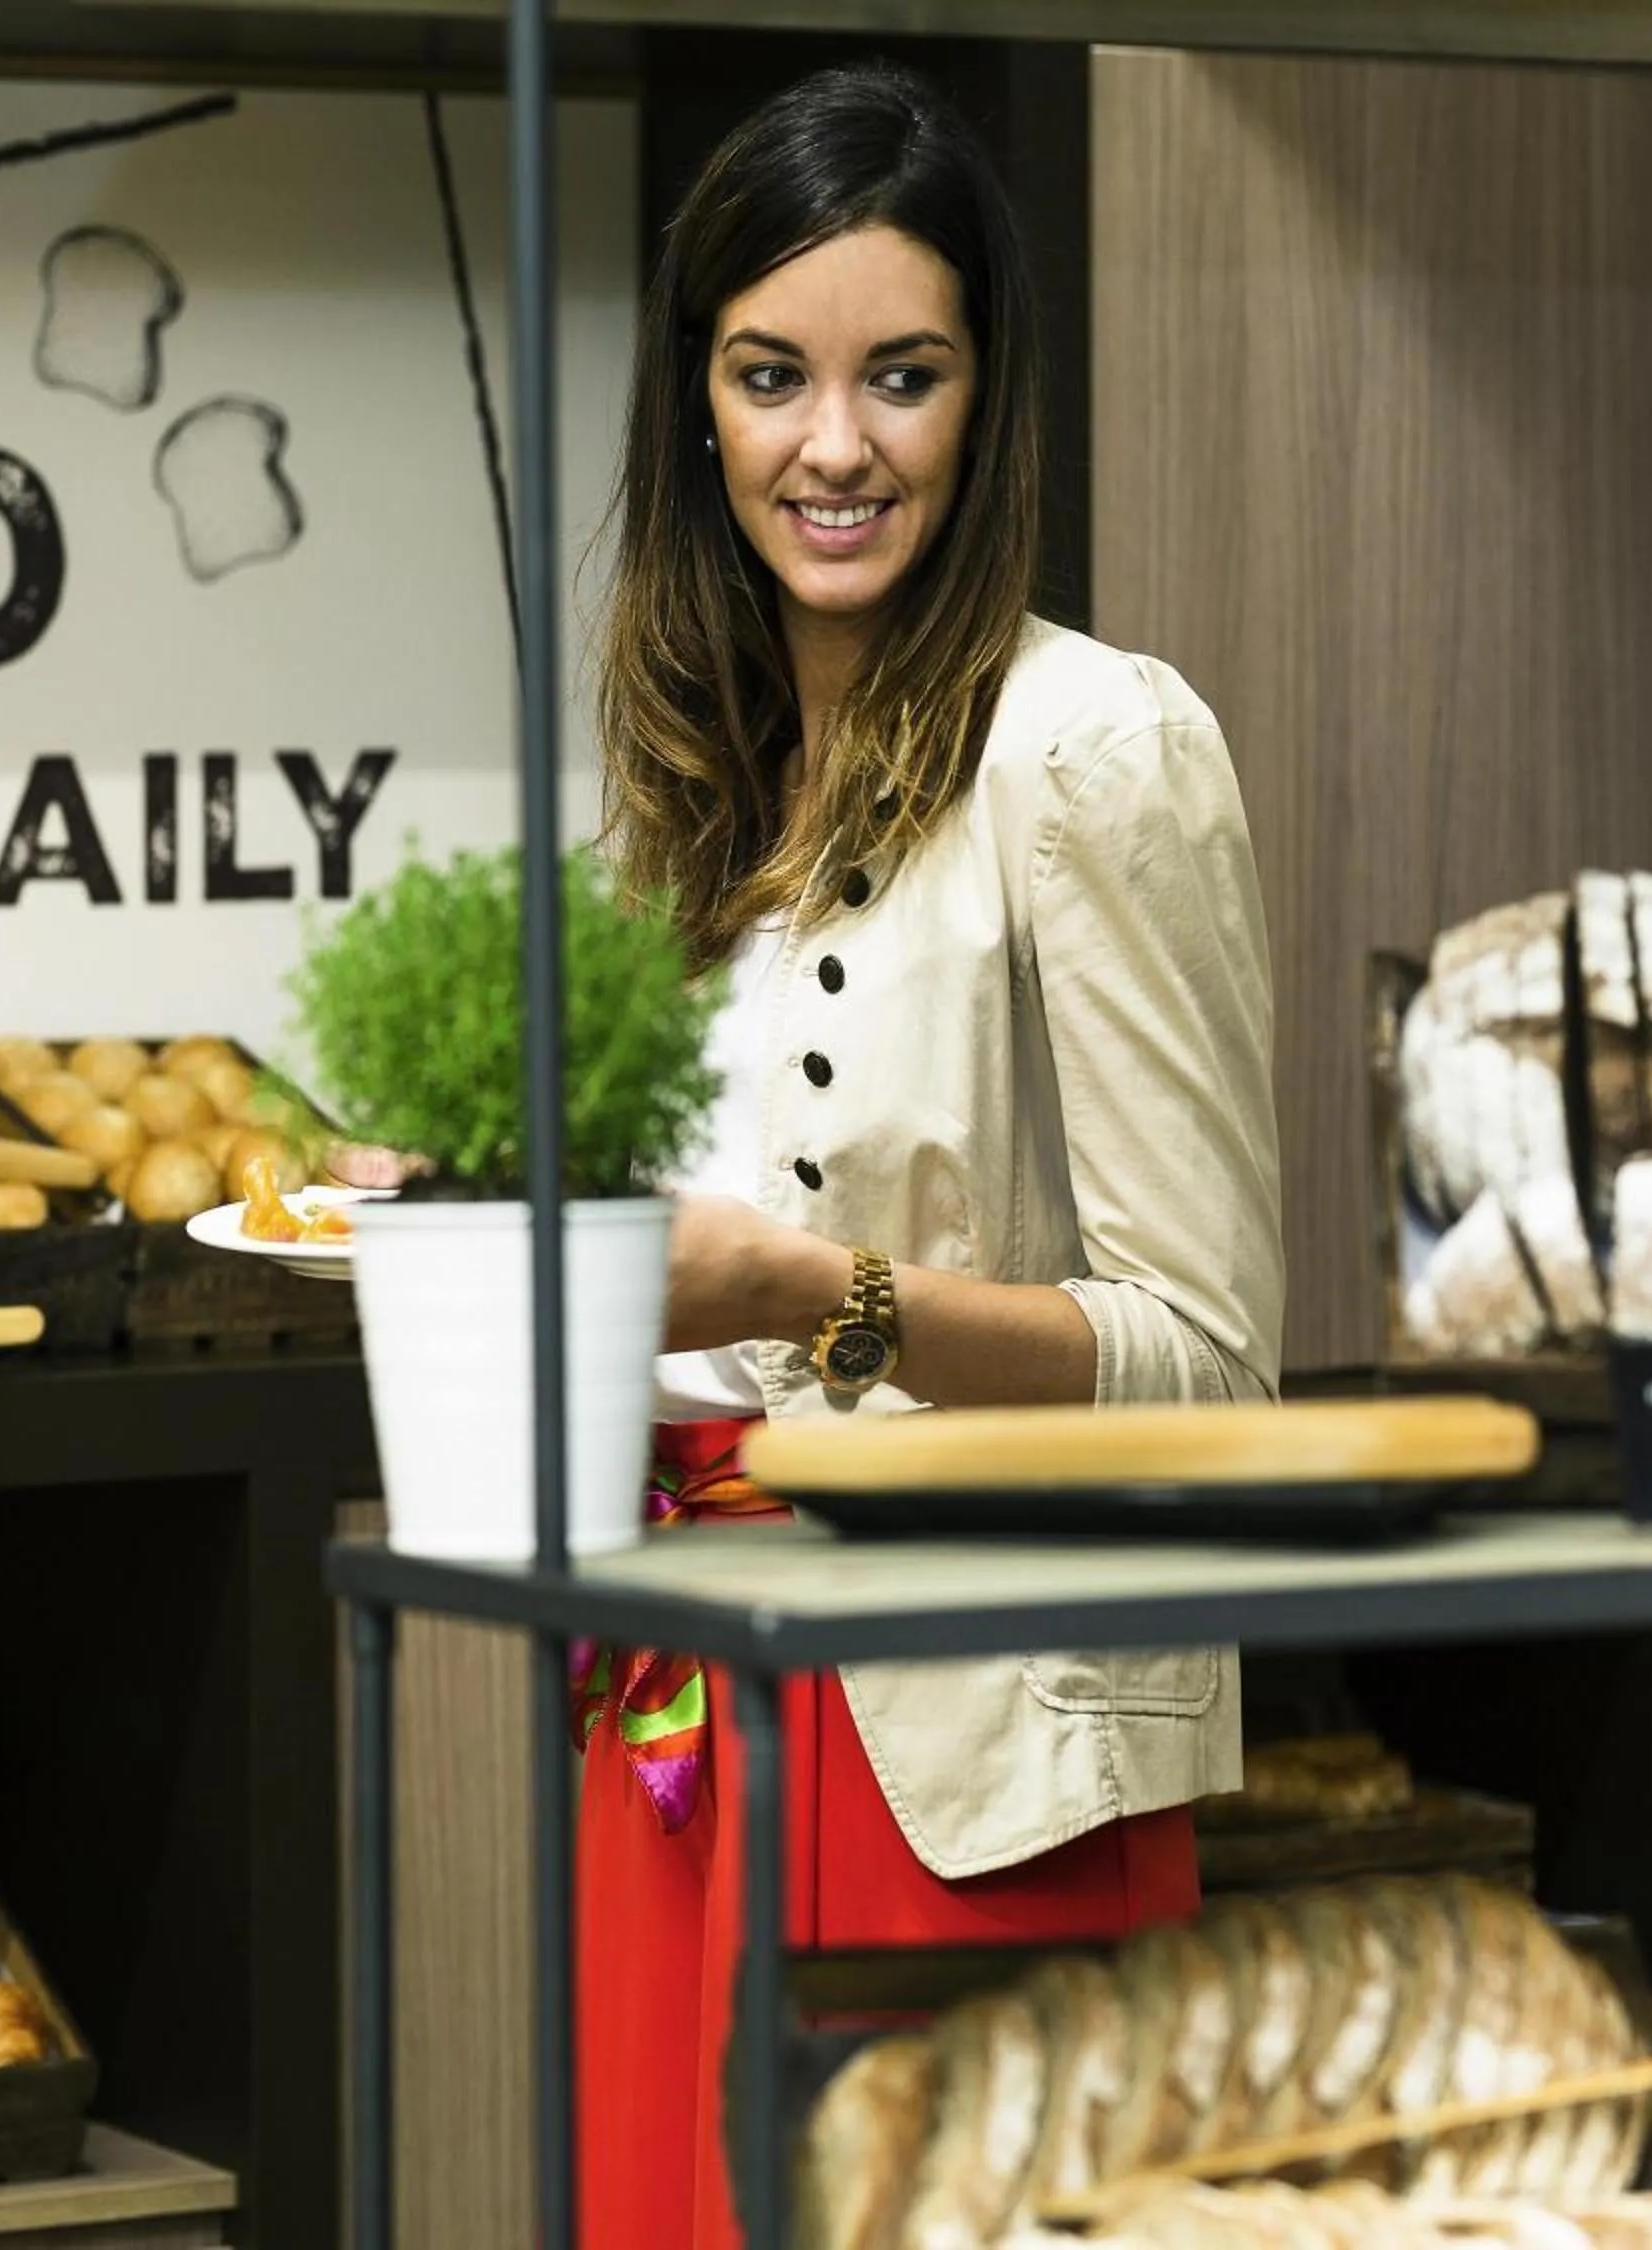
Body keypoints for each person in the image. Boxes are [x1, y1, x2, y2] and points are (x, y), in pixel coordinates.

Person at [575, 61, 1283, 2250]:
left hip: (968, 1764)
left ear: (987, 401)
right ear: (697, 401)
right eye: (771, 375)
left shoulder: (1095, 744)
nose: (835, 446)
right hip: (680, 1704)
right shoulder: (687, 780)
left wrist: (814, 1300)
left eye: (905, 375)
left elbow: (1214, 1366)